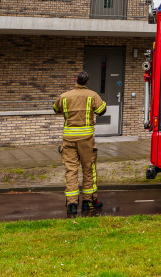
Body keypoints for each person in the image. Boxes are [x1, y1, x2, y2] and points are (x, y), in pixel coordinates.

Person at [54, 70, 108, 215]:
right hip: (86, 140)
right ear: (87, 82)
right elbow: (102, 110)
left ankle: (72, 204)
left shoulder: (64, 96)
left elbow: (55, 108)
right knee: (88, 169)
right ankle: (87, 202)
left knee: (71, 171)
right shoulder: (92, 95)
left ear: (75, 80)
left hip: (69, 139)